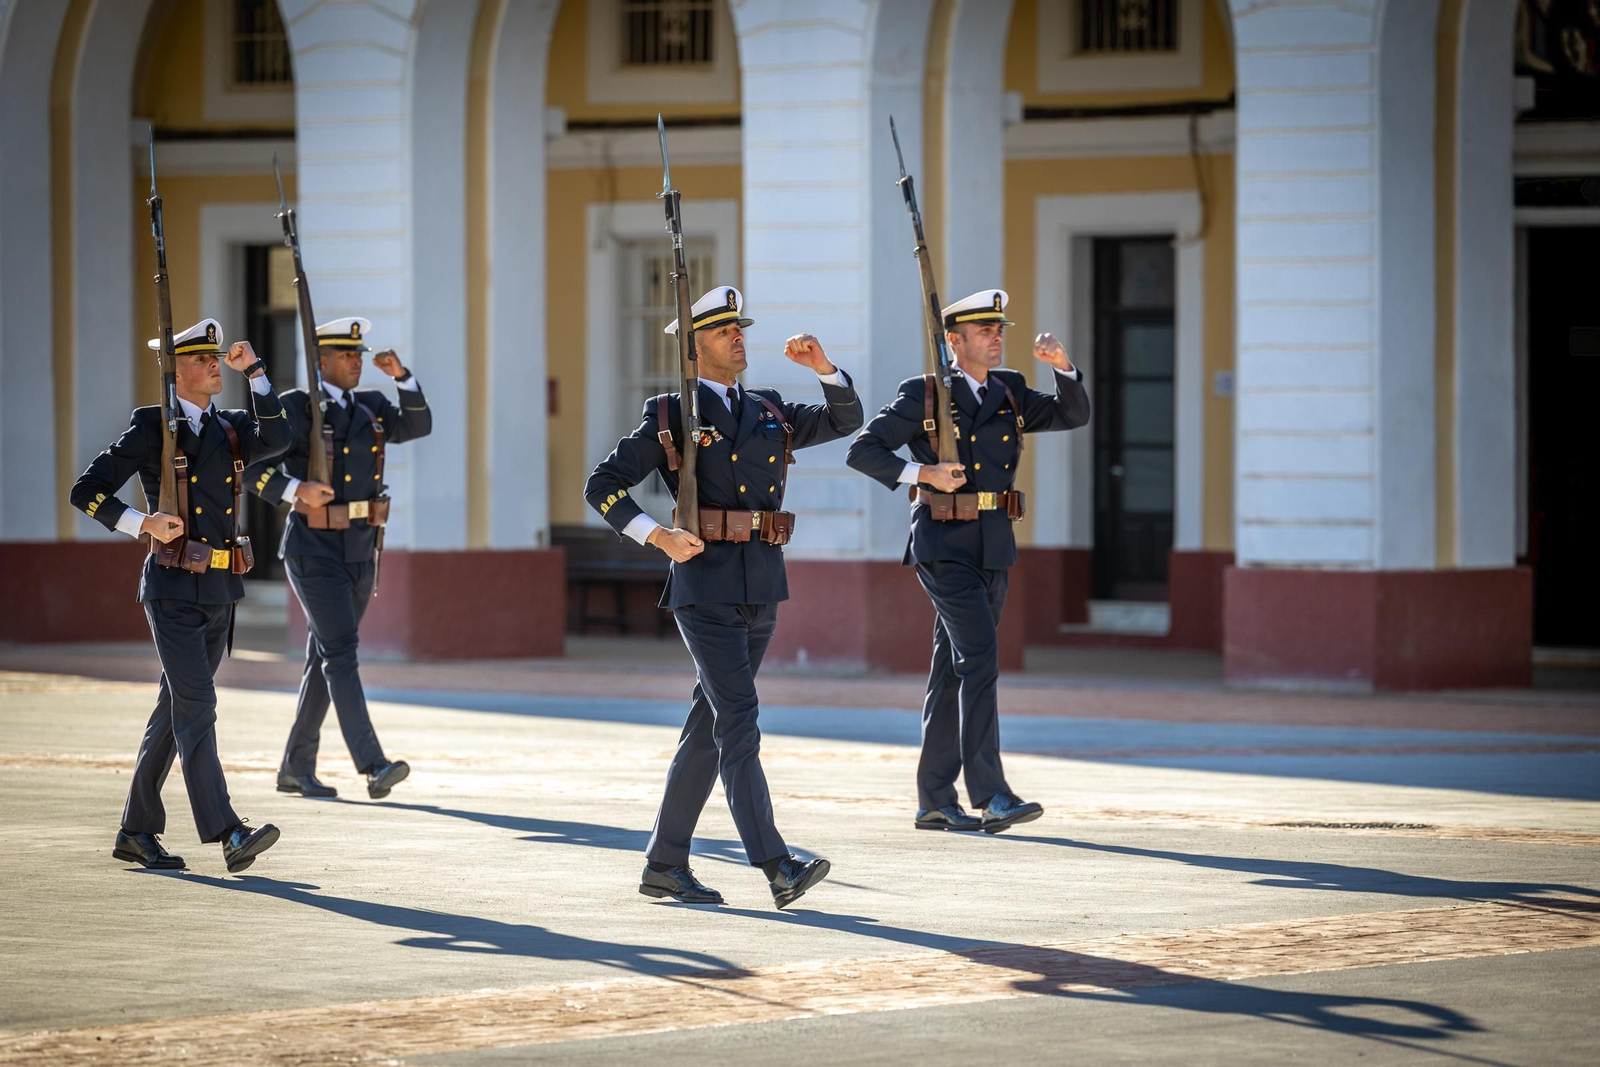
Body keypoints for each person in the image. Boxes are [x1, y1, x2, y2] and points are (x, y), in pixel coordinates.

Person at [584, 286, 862, 908]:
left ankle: (664, 864)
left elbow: (847, 420)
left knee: (709, 725)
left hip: (762, 581)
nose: (738, 337)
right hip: (704, 585)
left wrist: (823, 369)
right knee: (738, 719)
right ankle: (775, 863)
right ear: (694, 347)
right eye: (721, 331)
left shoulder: (769, 408)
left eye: (740, 327)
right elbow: (600, 485)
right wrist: (656, 534)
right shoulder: (669, 416)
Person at [846, 289, 1090, 833]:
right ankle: (991, 793)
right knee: (979, 657)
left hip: (994, 541)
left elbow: (1073, 415)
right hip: (942, 544)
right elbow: (864, 450)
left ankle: (934, 798)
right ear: (953, 341)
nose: (997, 337)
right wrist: (922, 474)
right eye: (985, 331)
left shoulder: (1011, 390)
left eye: (999, 329)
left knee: (951, 672)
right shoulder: (926, 394)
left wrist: (1063, 368)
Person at [70, 318, 291, 871]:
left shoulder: (234, 427)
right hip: (171, 590)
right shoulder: (154, 426)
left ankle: (135, 831)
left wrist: (257, 372)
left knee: (174, 711)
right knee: (198, 707)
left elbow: (282, 438)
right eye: (202, 358)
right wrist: (142, 523)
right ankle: (228, 832)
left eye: (218, 357)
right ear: (176, 370)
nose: (215, 364)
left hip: (221, 588)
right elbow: (86, 490)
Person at [244, 317, 432, 800]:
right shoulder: (297, 408)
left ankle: (295, 766)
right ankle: (372, 764)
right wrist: (295, 489)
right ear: (321, 361)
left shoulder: (371, 407)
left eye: (359, 353)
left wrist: (402, 377)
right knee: (341, 653)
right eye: (347, 355)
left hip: (361, 549)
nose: (357, 361)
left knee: (324, 658)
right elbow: (252, 468)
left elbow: (417, 425)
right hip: (313, 549)